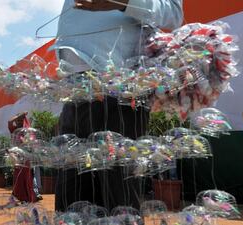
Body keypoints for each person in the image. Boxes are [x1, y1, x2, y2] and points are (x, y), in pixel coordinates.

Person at [52, 0, 183, 211]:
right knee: (72, 201)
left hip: (120, 91)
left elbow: (173, 13)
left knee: (117, 203)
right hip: (75, 90)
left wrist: (121, 2)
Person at [8, 112, 43, 202]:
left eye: (21, 120)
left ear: (24, 121)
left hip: (27, 157)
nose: (19, 122)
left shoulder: (28, 132)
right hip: (17, 157)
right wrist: (19, 115)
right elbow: (9, 122)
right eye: (18, 120)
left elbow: (33, 144)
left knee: (27, 177)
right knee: (18, 177)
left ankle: (27, 197)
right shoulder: (14, 130)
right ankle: (19, 196)